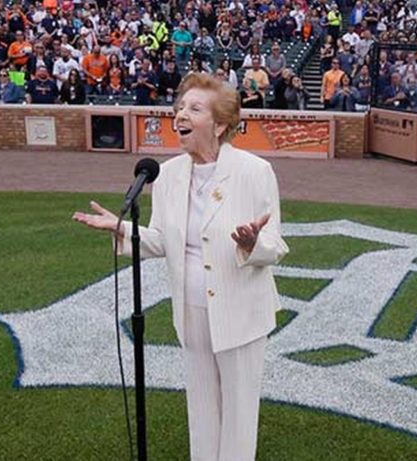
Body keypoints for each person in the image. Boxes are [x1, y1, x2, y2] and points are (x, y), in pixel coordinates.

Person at [73, 72, 288, 461]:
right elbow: (162, 240)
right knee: (202, 409)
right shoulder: (168, 175)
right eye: (179, 108)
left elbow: (276, 245)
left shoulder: (255, 171)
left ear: (221, 124)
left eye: (194, 108)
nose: (180, 116)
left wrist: (254, 244)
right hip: (190, 311)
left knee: (238, 413)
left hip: (241, 311)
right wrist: (123, 228)